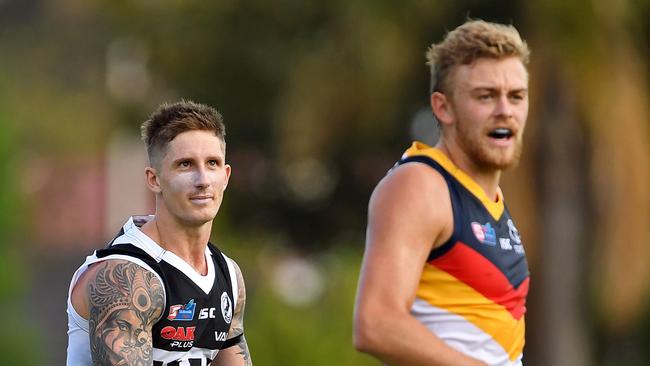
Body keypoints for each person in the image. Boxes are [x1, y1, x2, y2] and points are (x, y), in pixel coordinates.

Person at [353, 20, 531, 366]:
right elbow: (375, 324)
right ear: (443, 107)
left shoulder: (488, 198)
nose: (505, 110)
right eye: (485, 95)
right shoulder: (420, 185)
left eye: (516, 96)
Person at [66, 100, 252, 365]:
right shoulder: (124, 278)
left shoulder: (229, 276)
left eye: (212, 163)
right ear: (154, 179)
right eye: (185, 165)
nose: (202, 180)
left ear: (225, 176)